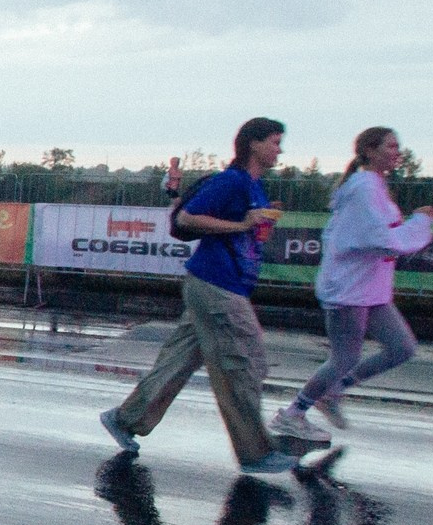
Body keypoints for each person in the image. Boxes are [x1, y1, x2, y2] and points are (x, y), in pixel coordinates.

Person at [101, 116, 302, 475]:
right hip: (217, 285)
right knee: (244, 363)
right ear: (253, 144)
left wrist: (257, 227)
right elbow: (190, 218)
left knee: (178, 362)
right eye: (274, 142)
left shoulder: (254, 187)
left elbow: (246, 231)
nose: (279, 149)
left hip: (222, 284)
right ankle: (256, 452)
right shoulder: (232, 182)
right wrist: (242, 224)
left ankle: (124, 419)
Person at [272, 126, 433, 443]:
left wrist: (414, 223)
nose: (397, 151)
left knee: (402, 347)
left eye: (398, 145)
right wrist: (420, 222)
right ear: (370, 150)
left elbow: (381, 235)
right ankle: (293, 414)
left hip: (371, 288)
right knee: (344, 357)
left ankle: (333, 393)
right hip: (349, 288)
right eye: (390, 146)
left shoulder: (374, 184)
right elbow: (380, 238)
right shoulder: (363, 186)